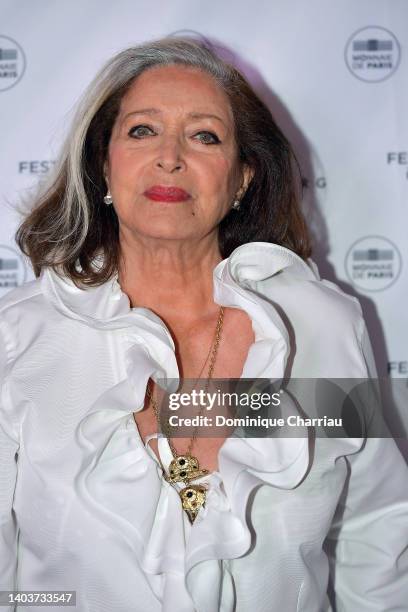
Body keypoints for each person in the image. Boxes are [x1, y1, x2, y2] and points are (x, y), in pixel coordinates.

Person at [0, 36, 407, 612]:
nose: (170, 155)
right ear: (103, 169)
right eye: (142, 130)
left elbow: (379, 528)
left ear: (241, 179)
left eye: (204, 135)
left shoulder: (322, 325)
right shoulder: (20, 335)